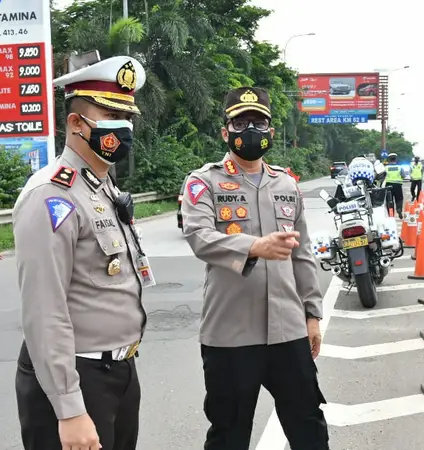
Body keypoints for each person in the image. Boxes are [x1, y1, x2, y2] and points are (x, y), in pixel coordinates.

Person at [180, 86, 329, 450]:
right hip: (231, 333)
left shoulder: (286, 184)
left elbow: (302, 253)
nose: (251, 130)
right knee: (229, 432)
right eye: (241, 122)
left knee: (308, 422)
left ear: (272, 132)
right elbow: (199, 237)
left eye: (259, 123)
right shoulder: (204, 182)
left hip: (287, 331)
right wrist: (254, 247)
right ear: (225, 131)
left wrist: (312, 313)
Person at [13, 55, 150, 450]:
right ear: (76, 123)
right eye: (110, 114)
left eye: (127, 116)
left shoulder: (101, 188)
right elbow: (45, 310)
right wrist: (69, 408)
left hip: (119, 372)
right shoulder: (51, 195)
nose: (123, 127)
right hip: (77, 377)